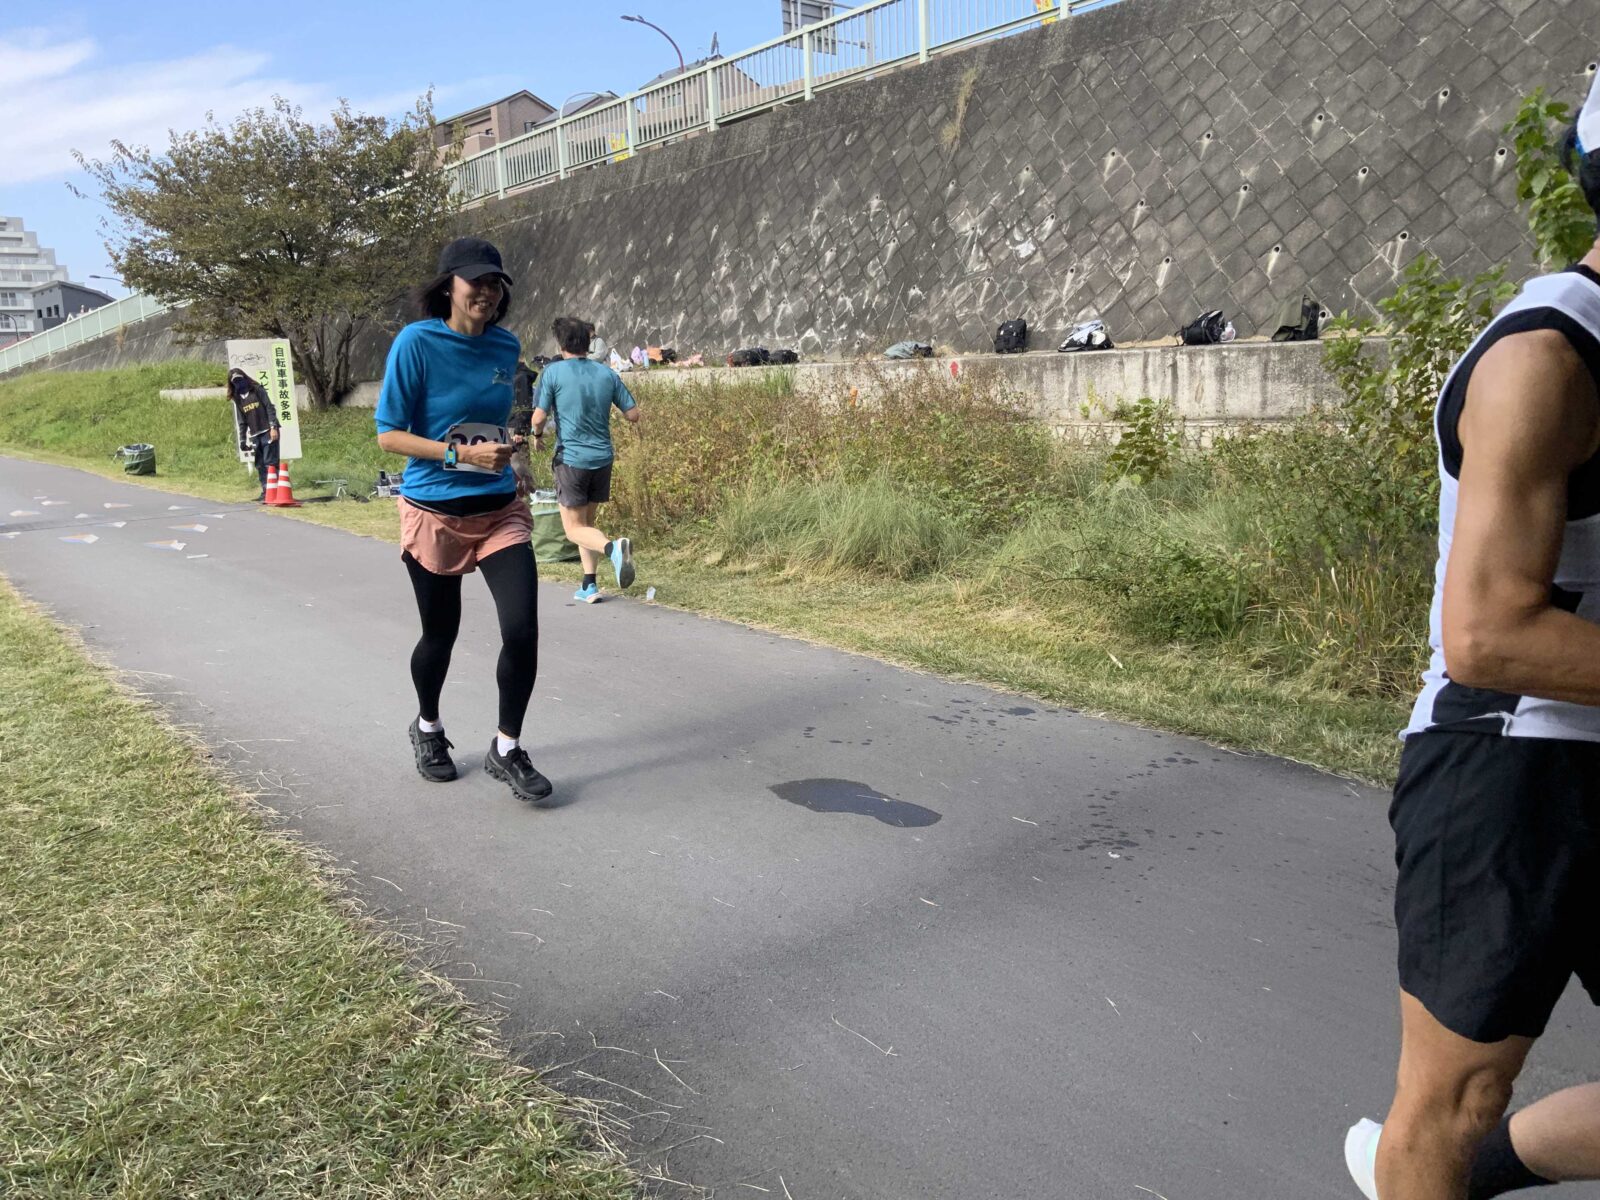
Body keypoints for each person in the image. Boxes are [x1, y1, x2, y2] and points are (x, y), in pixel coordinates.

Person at [1343, 77, 1600, 1200]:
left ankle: (1474, 1174)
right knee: (1453, 1098)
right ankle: (1437, 1166)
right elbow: (1488, 636)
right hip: (1509, 759)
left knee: (1465, 1132)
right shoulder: (1545, 361)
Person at [374, 236, 552, 803]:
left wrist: (512, 460)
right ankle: (428, 727)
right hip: (434, 510)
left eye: (495, 282)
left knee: (521, 629)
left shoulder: (505, 346)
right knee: (440, 634)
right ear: (447, 287)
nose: (487, 291)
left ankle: (507, 747)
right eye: (476, 280)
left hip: (498, 510)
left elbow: (494, 424)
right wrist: (461, 456)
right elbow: (389, 435)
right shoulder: (416, 343)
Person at [531, 316, 640, 603]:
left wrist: (536, 435)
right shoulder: (607, 374)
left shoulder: (552, 373)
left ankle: (612, 549)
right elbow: (633, 414)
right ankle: (589, 584)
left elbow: (539, 417)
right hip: (603, 458)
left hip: (572, 459)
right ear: (588, 342)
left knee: (573, 529)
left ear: (560, 344)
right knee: (586, 523)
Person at [227, 367, 280, 501]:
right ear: (232, 384)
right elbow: (242, 421)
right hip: (255, 434)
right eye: (235, 381)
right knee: (260, 464)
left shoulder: (257, 389)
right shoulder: (237, 398)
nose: (239, 383)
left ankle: (276, 491)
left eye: (240, 379)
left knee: (270, 462)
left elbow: (269, 407)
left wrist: (273, 427)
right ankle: (266, 491)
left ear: (245, 378)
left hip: (268, 431)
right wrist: (243, 440)